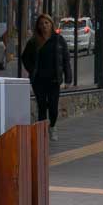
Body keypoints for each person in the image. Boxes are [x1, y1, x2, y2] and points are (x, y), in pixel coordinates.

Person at [21, 13, 72, 141]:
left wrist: (68, 79)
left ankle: (53, 127)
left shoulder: (59, 40)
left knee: (53, 107)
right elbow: (25, 58)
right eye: (41, 23)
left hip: (54, 80)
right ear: (38, 26)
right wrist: (32, 70)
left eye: (46, 23)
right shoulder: (34, 41)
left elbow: (66, 60)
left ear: (51, 24)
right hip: (39, 81)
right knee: (42, 107)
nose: (44, 26)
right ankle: (42, 132)